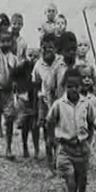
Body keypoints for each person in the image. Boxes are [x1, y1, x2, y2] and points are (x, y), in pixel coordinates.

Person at [46, 67, 96, 192]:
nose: (72, 89)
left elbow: (91, 123)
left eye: (75, 86)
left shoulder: (86, 104)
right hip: (65, 148)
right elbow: (50, 122)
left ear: (81, 87)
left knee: (82, 177)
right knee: (70, 180)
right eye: (69, 86)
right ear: (64, 87)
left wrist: (89, 141)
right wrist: (52, 139)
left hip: (81, 148)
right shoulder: (59, 104)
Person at [0, 27, 18, 158]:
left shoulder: (13, 58)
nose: (5, 44)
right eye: (2, 41)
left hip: (8, 93)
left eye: (8, 41)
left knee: (10, 119)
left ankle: (9, 148)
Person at [34, 32, 62, 173]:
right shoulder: (38, 65)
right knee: (47, 134)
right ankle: (50, 161)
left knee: (59, 133)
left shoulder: (61, 63)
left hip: (59, 102)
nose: (47, 51)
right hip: (45, 103)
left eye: (51, 48)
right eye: (44, 48)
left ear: (56, 49)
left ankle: (59, 160)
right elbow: (36, 83)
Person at [12, 61, 40, 158]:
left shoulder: (39, 68)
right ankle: (25, 147)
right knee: (25, 127)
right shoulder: (22, 69)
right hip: (24, 102)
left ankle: (37, 149)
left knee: (35, 127)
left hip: (35, 102)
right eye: (30, 55)